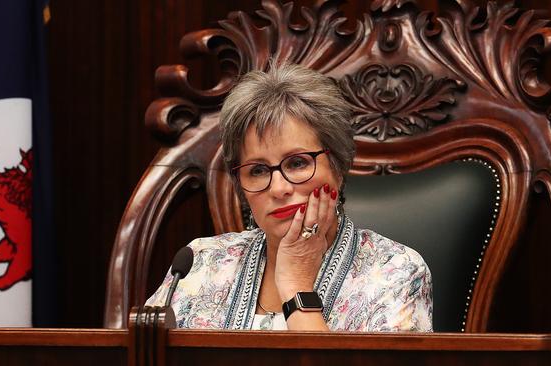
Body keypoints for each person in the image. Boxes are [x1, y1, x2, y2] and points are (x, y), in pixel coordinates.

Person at [146, 61, 433, 332]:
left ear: (338, 165)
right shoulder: (200, 264)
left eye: (297, 163)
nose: (278, 188)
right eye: (257, 170)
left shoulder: (395, 271)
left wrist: (297, 289)